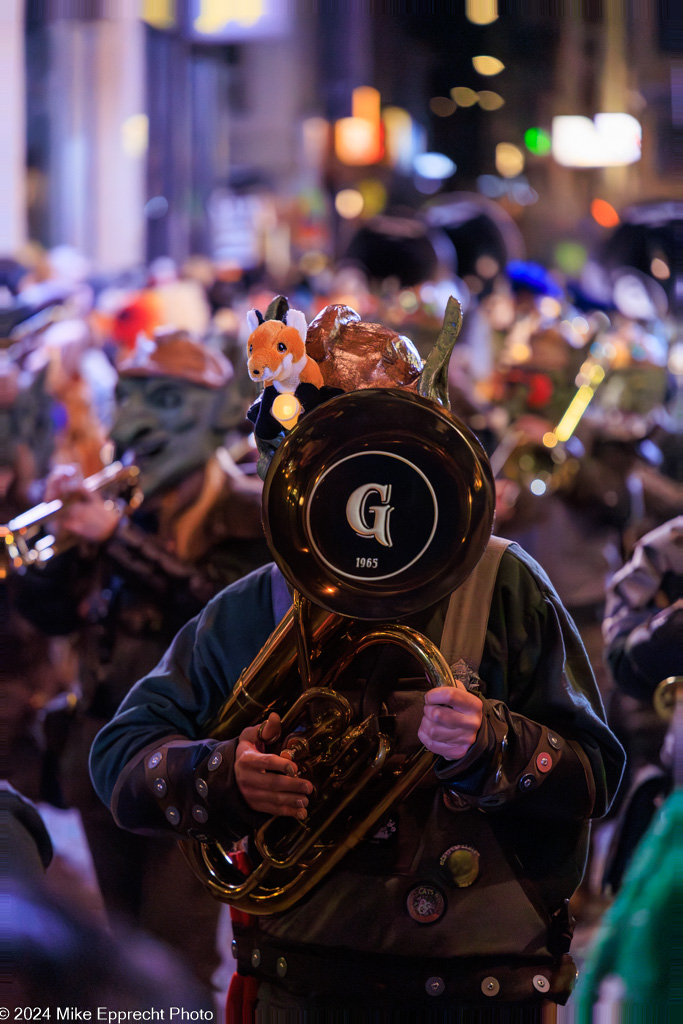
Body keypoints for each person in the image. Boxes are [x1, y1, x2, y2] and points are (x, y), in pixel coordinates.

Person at [89, 298, 625, 1021]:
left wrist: (493, 742)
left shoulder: (503, 582)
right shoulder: (256, 602)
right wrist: (221, 773)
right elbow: (119, 761)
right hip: (299, 989)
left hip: (477, 994)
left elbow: (595, 775)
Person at [13, 327, 271, 987]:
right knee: (121, 952)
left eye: (160, 400)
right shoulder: (130, 508)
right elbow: (54, 616)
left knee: (177, 953)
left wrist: (117, 538)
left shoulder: (253, 513)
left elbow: (221, 613)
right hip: (104, 754)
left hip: (196, 759)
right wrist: (65, 546)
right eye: (126, 397)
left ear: (220, 411)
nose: (128, 421)